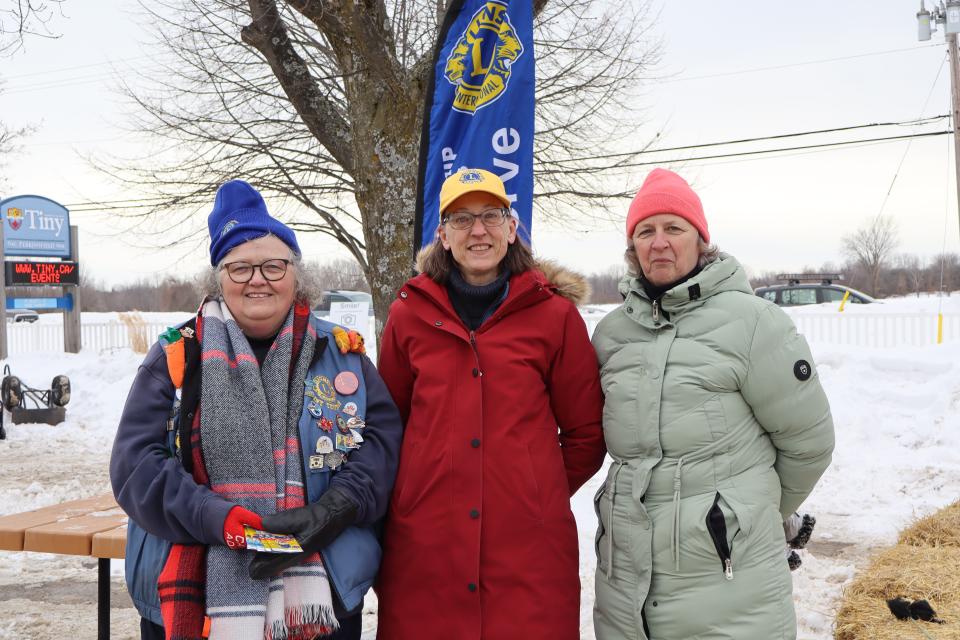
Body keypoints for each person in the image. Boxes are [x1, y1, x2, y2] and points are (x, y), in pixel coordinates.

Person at [110, 179, 402, 640]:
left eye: (272, 265)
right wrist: (214, 517)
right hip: (196, 593)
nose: (258, 279)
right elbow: (135, 466)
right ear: (218, 278)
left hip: (321, 592)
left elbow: (382, 447)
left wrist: (330, 512)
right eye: (240, 267)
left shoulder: (343, 354)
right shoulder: (174, 356)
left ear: (296, 274)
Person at [591, 168, 835, 640]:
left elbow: (810, 444)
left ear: (701, 241)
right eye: (646, 231)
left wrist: (744, 516)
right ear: (633, 248)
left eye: (673, 228)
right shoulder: (611, 336)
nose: (659, 242)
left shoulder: (754, 324)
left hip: (729, 593)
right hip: (624, 595)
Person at [375, 168, 606, 639]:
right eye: (461, 219)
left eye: (490, 216)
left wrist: (532, 491)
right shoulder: (408, 314)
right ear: (441, 234)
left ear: (512, 227)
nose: (477, 231)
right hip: (427, 545)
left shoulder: (553, 316)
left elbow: (586, 433)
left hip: (527, 553)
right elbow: (388, 427)